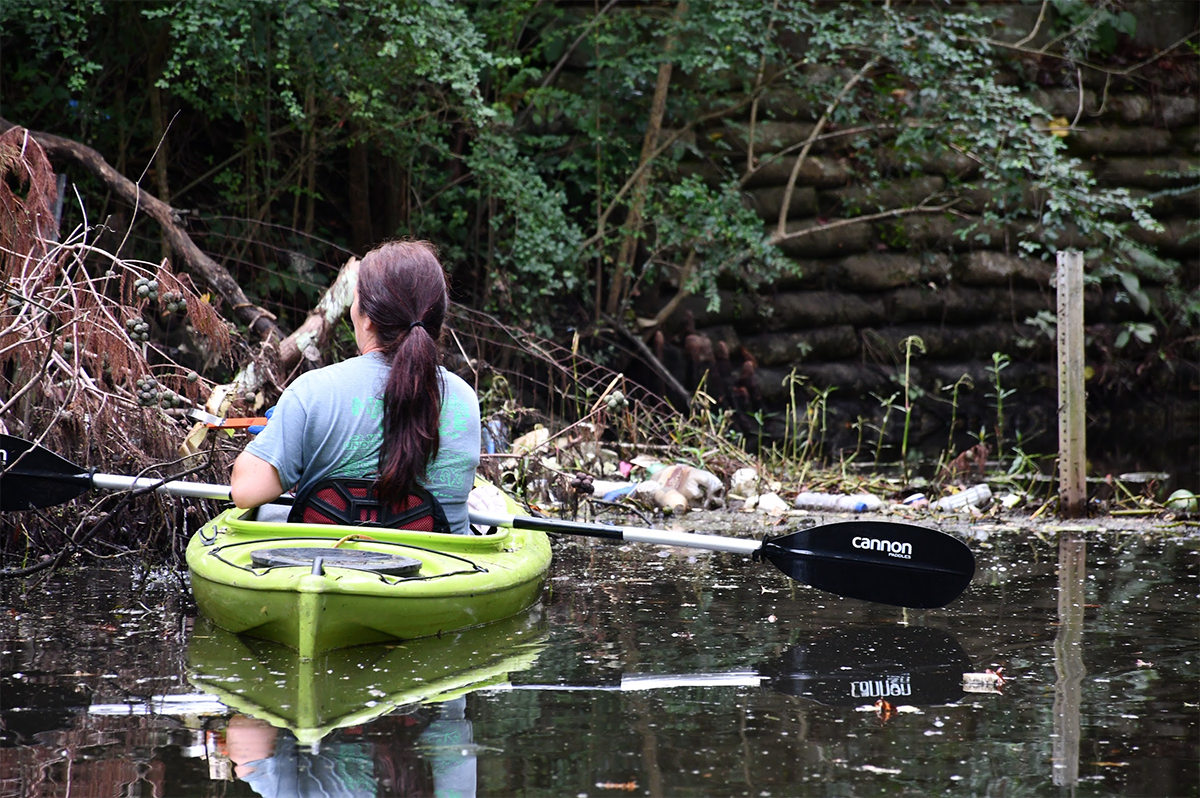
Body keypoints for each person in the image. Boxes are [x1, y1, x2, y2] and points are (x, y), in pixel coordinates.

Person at [230, 240, 481, 534]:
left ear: (367, 316)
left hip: (319, 563)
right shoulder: (464, 397)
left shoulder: (311, 392)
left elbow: (244, 491)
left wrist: (285, 436)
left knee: (269, 509)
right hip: (438, 568)